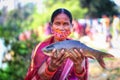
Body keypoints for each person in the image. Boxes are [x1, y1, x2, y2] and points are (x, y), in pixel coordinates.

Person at [25, 8, 88, 80]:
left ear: (71, 27)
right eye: (57, 23)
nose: (61, 28)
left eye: (66, 24)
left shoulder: (77, 47)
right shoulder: (42, 48)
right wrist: (51, 68)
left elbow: (83, 77)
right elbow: (37, 77)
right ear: (51, 26)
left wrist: (78, 67)